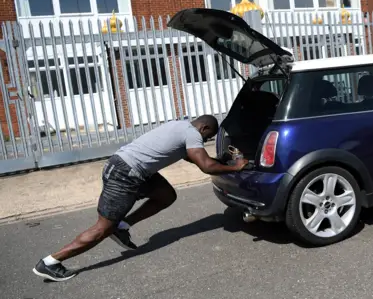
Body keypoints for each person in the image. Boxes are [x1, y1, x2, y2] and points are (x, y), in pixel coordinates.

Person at [32, 115, 248, 282]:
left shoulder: (179, 126)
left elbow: (198, 159)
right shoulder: (191, 133)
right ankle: (50, 262)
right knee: (102, 228)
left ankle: (122, 226)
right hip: (125, 175)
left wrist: (224, 161)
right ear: (204, 128)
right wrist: (236, 167)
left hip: (128, 167)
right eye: (207, 138)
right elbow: (206, 166)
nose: (205, 141)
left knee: (166, 195)